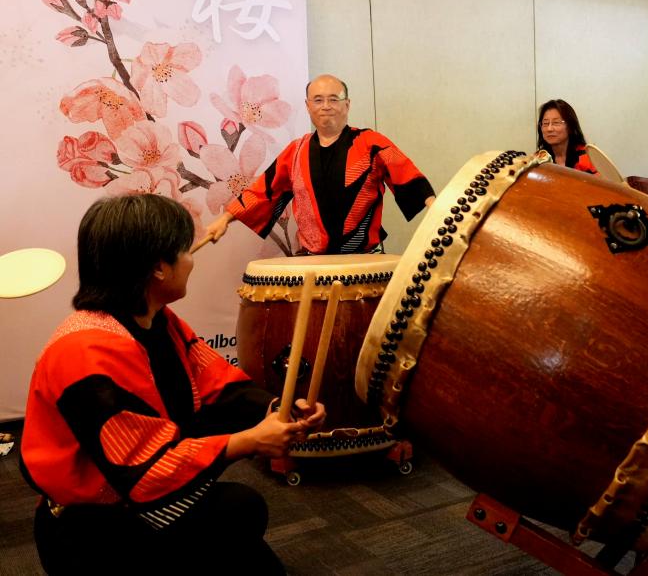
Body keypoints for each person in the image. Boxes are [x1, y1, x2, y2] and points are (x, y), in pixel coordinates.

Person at [20, 194, 326, 573]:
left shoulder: (158, 322)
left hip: (131, 497)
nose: (191, 259)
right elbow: (144, 470)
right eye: (184, 250)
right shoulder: (85, 352)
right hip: (89, 525)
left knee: (249, 538)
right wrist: (245, 442)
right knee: (240, 510)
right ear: (158, 268)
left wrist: (278, 411)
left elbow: (217, 386)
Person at [204, 74, 435, 254]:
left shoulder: (371, 143)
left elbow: (404, 171)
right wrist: (225, 219)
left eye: (334, 99)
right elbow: (262, 190)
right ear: (307, 106)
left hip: (364, 258)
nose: (326, 105)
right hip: (313, 260)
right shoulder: (295, 151)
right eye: (318, 100)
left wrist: (435, 206)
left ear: (347, 105)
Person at [536, 99, 598, 174]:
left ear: (570, 126)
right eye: (545, 123)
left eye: (556, 122)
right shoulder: (538, 159)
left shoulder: (588, 158)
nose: (549, 129)